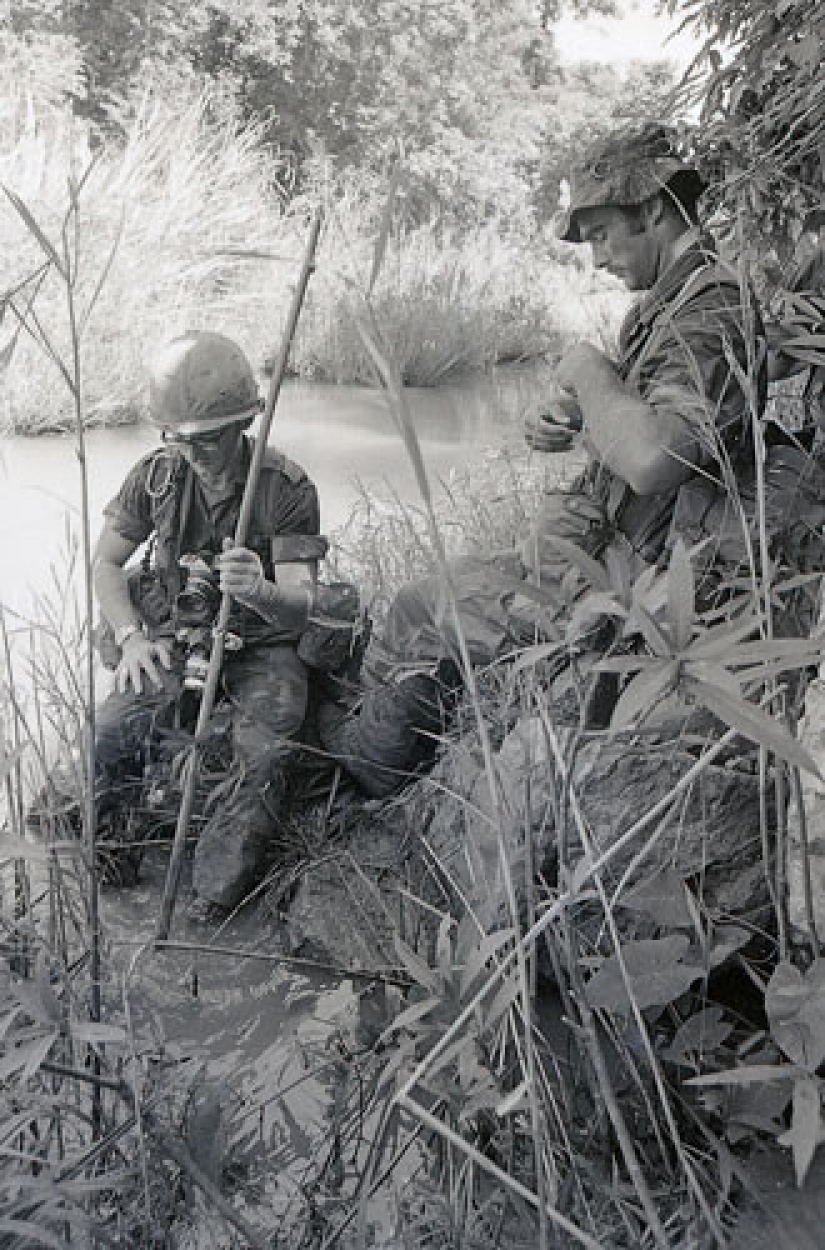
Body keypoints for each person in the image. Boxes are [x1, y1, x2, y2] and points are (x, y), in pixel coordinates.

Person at [322, 123, 769, 792]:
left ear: (651, 209)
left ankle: (365, 775)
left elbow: (653, 461)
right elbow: (643, 430)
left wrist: (588, 371)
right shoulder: (670, 306)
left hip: (624, 583)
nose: (594, 258)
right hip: (590, 552)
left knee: (424, 608)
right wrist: (569, 421)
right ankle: (368, 739)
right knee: (419, 599)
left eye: (598, 233)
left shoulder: (712, 309)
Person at [93, 330, 332, 910]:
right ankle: (108, 862)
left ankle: (214, 892)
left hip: (263, 645)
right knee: (110, 732)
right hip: (180, 637)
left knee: (268, 755)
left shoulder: (284, 488)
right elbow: (105, 563)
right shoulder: (156, 477)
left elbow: (305, 601)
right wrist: (130, 639)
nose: (193, 452)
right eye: (179, 439)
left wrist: (262, 591)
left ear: (242, 426)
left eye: (209, 439)